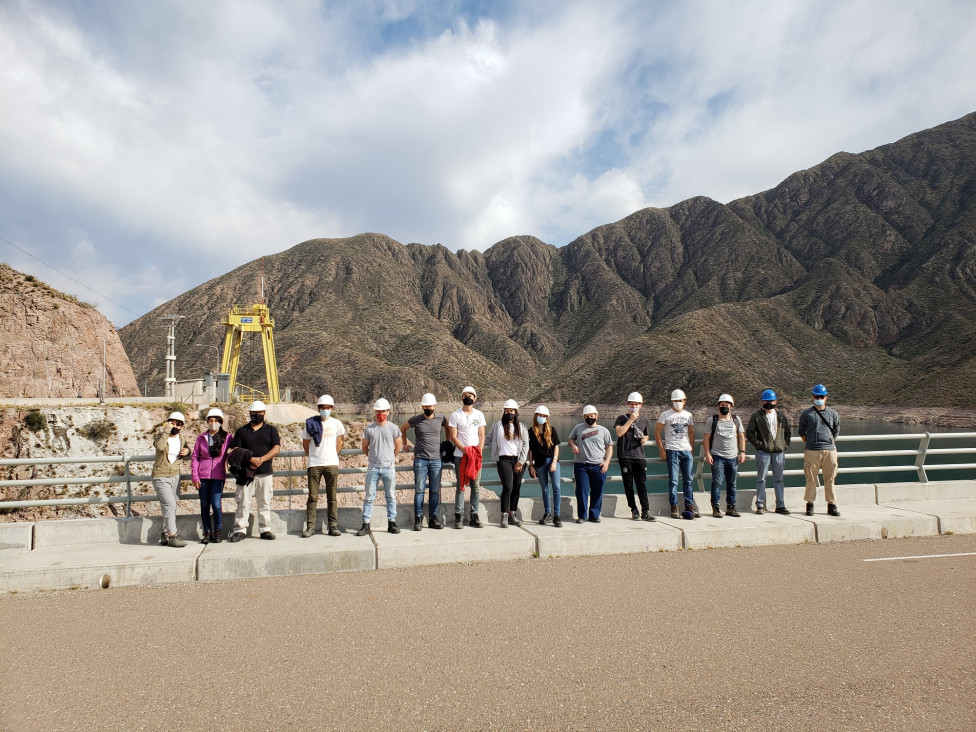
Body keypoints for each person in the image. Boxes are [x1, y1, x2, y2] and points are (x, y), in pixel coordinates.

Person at [228, 400, 281, 542]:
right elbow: (236, 449)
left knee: (264, 502)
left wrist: (261, 459)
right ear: (249, 414)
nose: (256, 415)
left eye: (259, 413)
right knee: (243, 502)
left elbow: (276, 448)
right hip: (245, 474)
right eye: (253, 413)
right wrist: (252, 459)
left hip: (265, 472)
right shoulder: (241, 431)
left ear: (264, 414)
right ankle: (240, 530)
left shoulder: (271, 430)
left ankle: (265, 529)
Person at [401, 393, 448, 530]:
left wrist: (448, 442)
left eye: (430, 406)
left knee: (434, 490)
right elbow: (403, 428)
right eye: (426, 406)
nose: (428, 408)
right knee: (419, 490)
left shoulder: (441, 418)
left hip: (436, 460)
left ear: (435, 406)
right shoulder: (416, 419)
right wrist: (404, 444)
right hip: (420, 459)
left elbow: (449, 428)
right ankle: (418, 519)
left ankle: (433, 518)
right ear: (422, 406)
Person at [356, 398, 403, 536]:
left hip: (388, 467)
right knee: (369, 497)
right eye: (378, 411)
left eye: (383, 411)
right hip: (374, 468)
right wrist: (373, 457)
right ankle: (365, 524)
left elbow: (398, 446)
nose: (380, 413)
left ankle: (392, 522)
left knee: (391, 496)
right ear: (375, 412)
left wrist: (390, 457)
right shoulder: (369, 429)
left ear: (388, 412)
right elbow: (365, 447)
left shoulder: (394, 428)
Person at [301, 395, 346, 537]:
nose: (325, 410)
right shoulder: (310, 424)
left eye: (328, 408)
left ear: (332, 408)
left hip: (331, 463)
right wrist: (313, 456)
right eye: (323, 408)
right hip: (314, 464)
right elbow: (306, 443)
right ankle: (311, 527)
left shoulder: (337, 424)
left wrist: (333, 454)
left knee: (332, 497)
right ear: (318, 409)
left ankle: (333, 526)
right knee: (312, 497)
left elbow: (340, 441)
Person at [190, 408, 234, 544]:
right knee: (204, 505)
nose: (212, 423)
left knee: (216, 504)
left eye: (215, 421)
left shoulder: (227, 437)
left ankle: (218, 531)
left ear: (220, 422)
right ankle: (207, 531)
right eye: (210, 421)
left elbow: (231, 452)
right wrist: (195, 476)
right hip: (203, 476)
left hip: (218, 475)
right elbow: (195, 457)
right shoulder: (201, 438)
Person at [746, 389, 792, 515]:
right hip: (763, 453)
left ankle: (780, 505)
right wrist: (759, 445)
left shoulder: (781, 416)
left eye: (771, 401)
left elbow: (787, 432)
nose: (769, 403)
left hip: (778, 452)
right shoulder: (756, 416)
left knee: (779, 479)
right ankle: (760, 505)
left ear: (775, 401)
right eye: (766, 401)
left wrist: (784, 445)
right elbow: (749, 433)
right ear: (762, 402)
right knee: (761, 478)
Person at [446, 386, 486, 529]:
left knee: (475, 486)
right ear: (461, 398)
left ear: (475, 398)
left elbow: (481, 435)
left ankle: (474, 515)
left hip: (475, 457)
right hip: (460, 456)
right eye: (465, 395)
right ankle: (459, 516)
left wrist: (478, 452)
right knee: (461, 486)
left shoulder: (479, 415)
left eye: (470, 395)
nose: (467, 397)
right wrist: (465, 450)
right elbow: (453, 436)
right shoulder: (455, 415)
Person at [485, 399, 530, 528]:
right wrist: (476, 444)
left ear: (516, 412)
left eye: (511, 410)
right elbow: (488, 439)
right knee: (508, 487)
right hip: (503, 460)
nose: (509, 412)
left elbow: (526, 445)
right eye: (507, 410)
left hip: (518, 461)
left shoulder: (522, 427)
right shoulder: (497, 425)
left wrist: (521, 462)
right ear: (504, 411)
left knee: (516, 488)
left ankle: (513, 514)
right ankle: (504, 515)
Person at [798, 384, 841, 517]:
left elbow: (836, 431)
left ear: (826, 397)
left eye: (821, 396)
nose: (819, 398)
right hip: (812, 451)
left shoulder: (833, 414)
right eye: (817, 396)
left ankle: (831, 504)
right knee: (810, 478)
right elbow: (802, 432)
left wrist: (828, 441)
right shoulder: (806, 414)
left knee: (830, 478)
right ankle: (810, 504)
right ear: (813, 397)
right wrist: (811, 443)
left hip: (830, 450)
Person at [656, 389, 698, 519]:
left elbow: (691, 432)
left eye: (680, 400)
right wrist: (662, 449)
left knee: (688, 480)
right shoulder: (665, 415)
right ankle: (674, 506)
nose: (678, 403)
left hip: (686, 451)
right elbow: (657, 431)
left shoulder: (688, 415)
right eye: (675, 401)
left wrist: (692, 448)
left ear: (684, 401)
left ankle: (689, 506)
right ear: (672, 402)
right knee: (673, 481)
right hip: (672, 451)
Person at [568, 405, 613, 523]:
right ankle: (582, 516)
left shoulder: (604, 430)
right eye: (586, 416)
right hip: (581, 465)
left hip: (598, 465)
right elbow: (570, 439)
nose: (589, 418)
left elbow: (609, 447)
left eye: (591, 416)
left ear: (596, 416)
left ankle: (594, 515)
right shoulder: (578, 428)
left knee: (597, 490)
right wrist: (573, 445)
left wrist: (607, 462)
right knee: (581, 490)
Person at [702, 394, 745, 518]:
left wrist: (742, 451)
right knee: (717, 483)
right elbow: (706, 437)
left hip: (733, 457)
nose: (724, 407)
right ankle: (715, 507)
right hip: (717, 456)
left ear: (731, 407)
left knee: (732, 483)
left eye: (727, 405)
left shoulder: (736, 420)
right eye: (722, 405)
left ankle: (731, 507)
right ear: (718, 406)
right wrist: (707, 453)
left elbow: (741, 436)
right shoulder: (712, 420)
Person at [614, 392, 655, 521]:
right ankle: (634, 509)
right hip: (625, 456)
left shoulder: (645, 420)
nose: (634, 406)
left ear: (641, 405)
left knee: (641, 484)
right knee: (628, 485)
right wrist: (630, 419)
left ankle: (646, 511)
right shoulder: (621, 418)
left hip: (639, 456)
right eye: (632, 404)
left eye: (636, 404)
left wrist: (645, 438)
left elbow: (647, 434)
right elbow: (619, 433)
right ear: (628, 405)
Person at [152, 411, 191, 547]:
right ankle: (173, 536)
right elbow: (160, 446)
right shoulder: (160, 436)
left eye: (178, 424)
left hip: (175, 476)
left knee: (170, 505)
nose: (175, 426)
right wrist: (166, 430)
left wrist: (187, 451)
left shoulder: (181, 439)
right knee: (170, 505)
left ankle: (165, 534)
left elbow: (187, 450)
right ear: (167, 422)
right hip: (161, 476)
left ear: (182, 426)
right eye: (172, 422)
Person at [528, 406, 562, 527]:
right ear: (535, 416)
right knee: (545, 489)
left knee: (556, 487)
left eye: (543, 416)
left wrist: (554, 461)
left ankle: (557, 516)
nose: (541, 418)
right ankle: (547, 513)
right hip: (539, 464)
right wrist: (531, 465)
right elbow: (530, 450)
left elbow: (557, 446)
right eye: (539, 415)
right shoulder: (531, 431)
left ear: (547, 418)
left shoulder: (552, 430)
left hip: (552, 461)